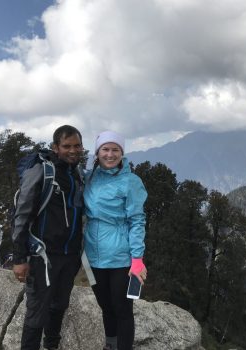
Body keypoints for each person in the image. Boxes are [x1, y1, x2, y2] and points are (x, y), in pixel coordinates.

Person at [12, 125, 84, 350]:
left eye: (77, 145)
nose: (73, 150)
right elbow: (21, 215)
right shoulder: (43, 171)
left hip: (70, 255)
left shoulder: (76, 173)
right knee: (37, 312)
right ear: (56, 147)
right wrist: (19, 259)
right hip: (43, 256)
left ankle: (52, 346)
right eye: (67, 146)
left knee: (59, 306)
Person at [84, 130, 148, 350]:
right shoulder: (90, 177)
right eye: (105, 149)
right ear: (97, 152)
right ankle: (110, 344)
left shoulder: (130, 181)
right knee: (105, 305)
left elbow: (137, 220)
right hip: (92, 254)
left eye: (115, 150)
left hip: (121, 256)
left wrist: (137, 258)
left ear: (122, 153)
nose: (110, 155)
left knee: (122, 308)